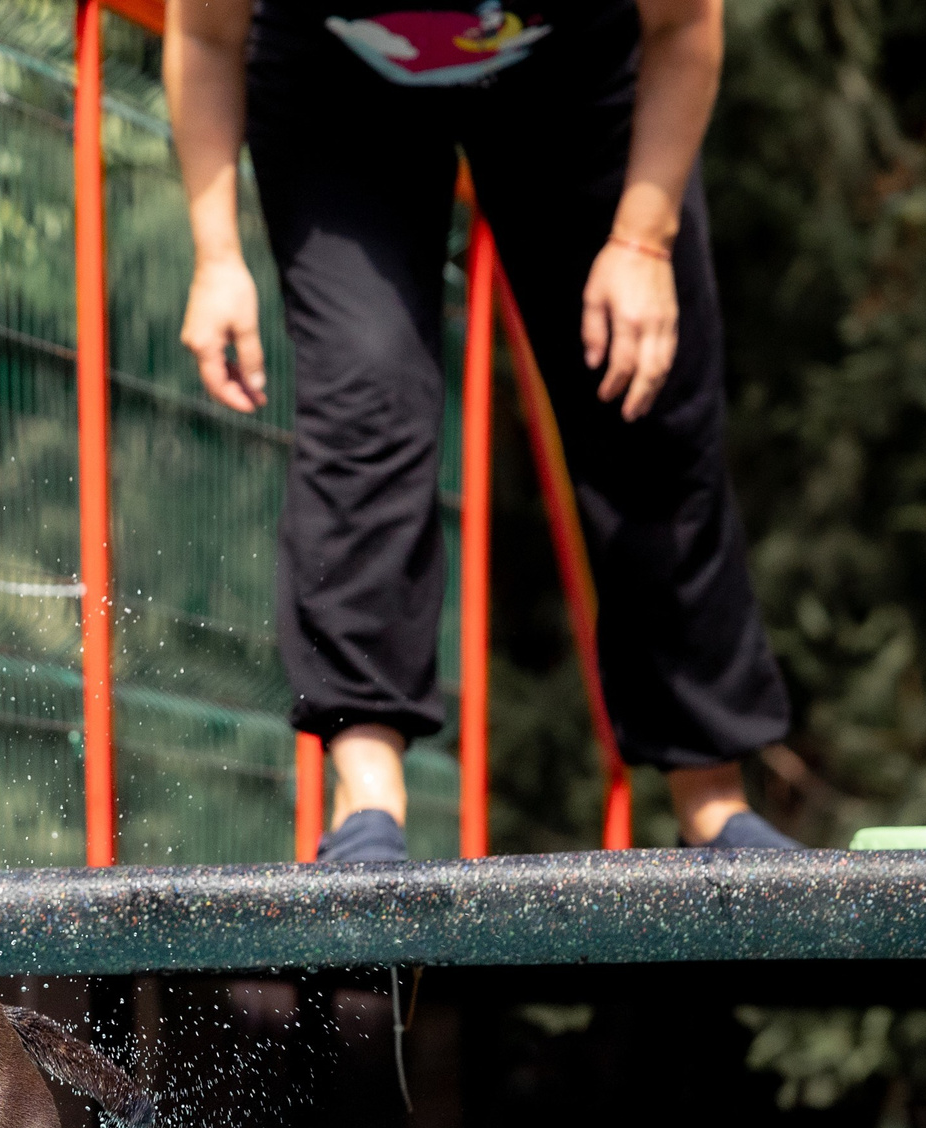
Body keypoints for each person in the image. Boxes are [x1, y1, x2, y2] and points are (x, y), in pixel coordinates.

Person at [166, 0, 799, 859]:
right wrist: (216, 256)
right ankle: (367, 796)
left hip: (577, 81)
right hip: (338, 93)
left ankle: (711, 798)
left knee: (643, 395)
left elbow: (685, 28)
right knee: (366, 393)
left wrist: (643, 244)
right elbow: (204, 35)